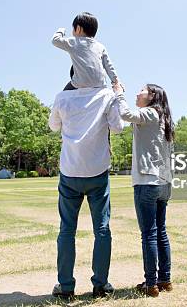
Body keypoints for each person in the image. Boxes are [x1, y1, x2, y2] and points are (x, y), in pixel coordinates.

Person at [48, 84, 124, 299]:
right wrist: (117, 95)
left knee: (66, 230)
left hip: (70, 171)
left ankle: (65, 286)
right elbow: (118, 127)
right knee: (102, 230)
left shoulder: (62, 97)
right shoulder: (106, 95)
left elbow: (54, 126)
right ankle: (100, 285)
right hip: (97, 171)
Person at [113, 82, 174, 297]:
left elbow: (126, 114)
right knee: (161, 233)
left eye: (142, 90)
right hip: (164, 183)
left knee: (149, 233)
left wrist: (118, 93)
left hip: (147, 182)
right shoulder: (164, 118)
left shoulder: (149, 112)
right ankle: (165, 280)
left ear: (152, 96)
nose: (137, 93)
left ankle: (151, 284)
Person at [52, 12, 120, 91]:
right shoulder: (100, 46)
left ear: (78, 29)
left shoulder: (74, 41)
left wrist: (61, 30)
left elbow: (55, 40)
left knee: (64, 95)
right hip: (100, 85)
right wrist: (116, 82)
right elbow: (109, 66)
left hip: (80, 83)